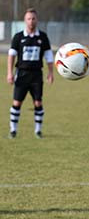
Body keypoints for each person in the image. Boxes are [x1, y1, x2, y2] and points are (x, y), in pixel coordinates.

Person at [6, 8, 54, 139]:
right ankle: (13, 130)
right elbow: (11, 56)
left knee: (38, 103)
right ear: (24, 20)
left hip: (36, 75)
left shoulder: (42, 37)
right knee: (17, 103)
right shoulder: (18, 37)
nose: (31, 21)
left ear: (37, 20)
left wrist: (51, 72)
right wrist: (9, 73)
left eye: (33, 18)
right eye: (28, 19)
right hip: (21, 74)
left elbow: (49, 56)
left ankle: (38, 131)